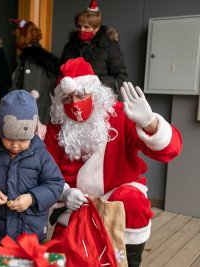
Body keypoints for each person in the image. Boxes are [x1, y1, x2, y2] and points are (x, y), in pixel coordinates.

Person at [44, 57, 182, 267]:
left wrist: (149, 122)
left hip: (118, 198)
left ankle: (129, 261)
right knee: (62, 260)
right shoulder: (58, 127)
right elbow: (46, 169)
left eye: (81, 94)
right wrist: (63, 192)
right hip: (78, 204)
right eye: (67, 99)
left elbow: (170, 151)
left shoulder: (120, 114)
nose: (75, 104)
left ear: (95, 92)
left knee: (131, 199)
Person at [0, 90, 64, 244]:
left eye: (23, 140)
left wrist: (32, 198)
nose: (15, 145)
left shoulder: (41, 155)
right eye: (9, 138)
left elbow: (56, 184)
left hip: (29, 233)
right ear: (1, 131)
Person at [60, 0, 128, 95]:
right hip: (74, 98)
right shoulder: (70, 46)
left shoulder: (109, 45)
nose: (81, 30)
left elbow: (121, 77)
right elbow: (60, 73)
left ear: (96, 28)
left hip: (101, 98)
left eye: (86, 27)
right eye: (79, 26)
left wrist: (97, 82)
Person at [9, 19, 61, 125]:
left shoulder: (31, 61)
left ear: (24, 36)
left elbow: (30, 89)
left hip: (30, 117)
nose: (16, 40)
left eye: (17, 36)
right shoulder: (39, 58)